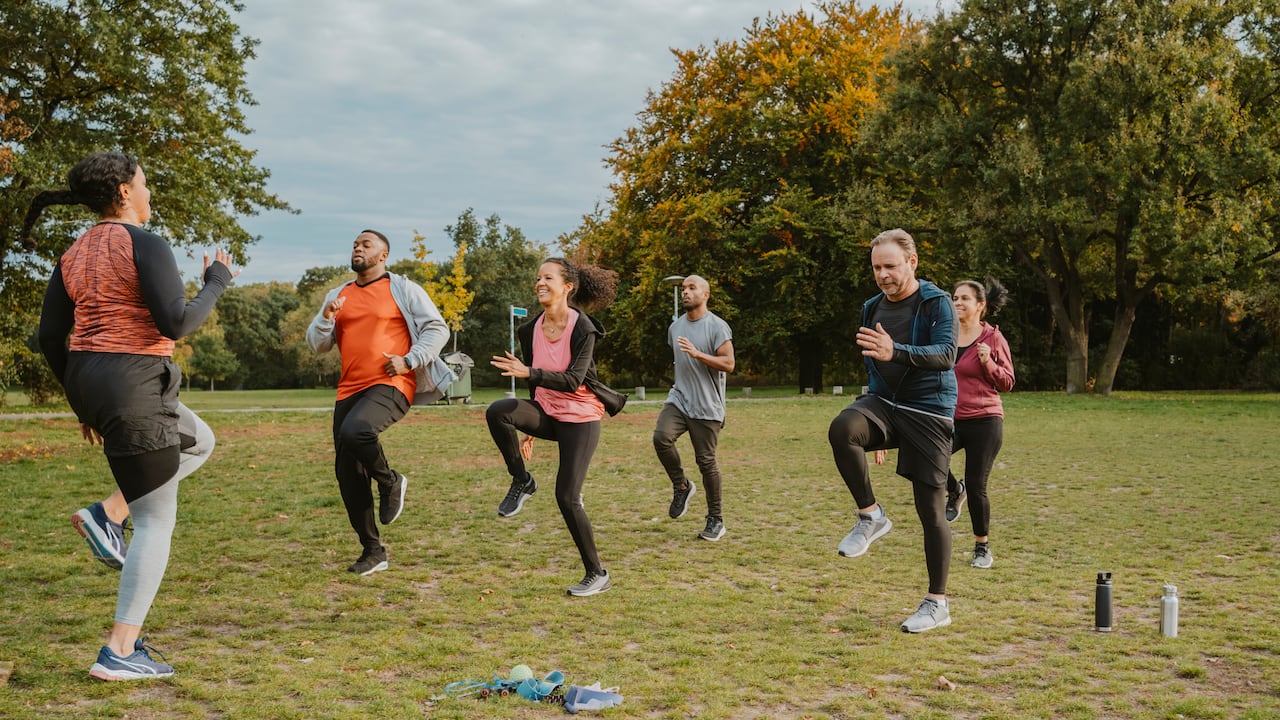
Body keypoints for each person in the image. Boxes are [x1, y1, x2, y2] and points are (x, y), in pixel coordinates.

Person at [30, 151, 237, 680]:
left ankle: (108, 512)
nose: (149, 194)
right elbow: (176, 322)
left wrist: (83, 400)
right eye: (144, 184)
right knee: (157, 522)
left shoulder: (73, 252)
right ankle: (120, 650)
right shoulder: (145, 243)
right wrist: (216, 280)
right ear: (123, 191)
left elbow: (50, 338)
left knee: (200, 439)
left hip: (93, 380)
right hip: (134, 383)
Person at [827, 228, 958, 633]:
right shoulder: (872, 307)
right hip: (885, 403)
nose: (882, 274)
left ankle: (937, 603)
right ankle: (871, 516)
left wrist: (896, 351)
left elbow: (946, 355)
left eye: (890, 266)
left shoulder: (937, 303)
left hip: (929, 410)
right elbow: (875, 364)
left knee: (930, 511)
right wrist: (874, 425)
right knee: (843, 428)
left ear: (912, 262)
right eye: (876, 267)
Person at [306, 229, 452, 577]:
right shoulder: (338, 294)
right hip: (349, 390)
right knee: (347, 473)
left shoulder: (402, 288)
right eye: (355, 244)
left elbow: (437, 328)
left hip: (391, 382)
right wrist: (326, 317)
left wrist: (410, 360)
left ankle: (389, 481)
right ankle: (373, 551)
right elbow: (317, 345)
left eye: (366, 244)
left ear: (383, 255)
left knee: (357, 431)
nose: (358, 248)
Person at [487, 257, 625, 597]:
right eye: (538, 278)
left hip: (581, 417)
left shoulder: (583, 328)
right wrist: (529, 427)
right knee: (498, 411)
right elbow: (536, 387)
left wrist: (528, 373)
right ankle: (522, 480)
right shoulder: (529, 329)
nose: (540, 283)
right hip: (548, 411)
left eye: (548, 278)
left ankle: (597, 573)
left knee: (567, 496)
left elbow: (574, 379)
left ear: (567, 287)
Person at [71, 404, 216, 570]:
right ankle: (111, 512)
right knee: (201, 443)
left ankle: (114, 513)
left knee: (182, 446)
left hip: (100, 401)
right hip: (135, 396)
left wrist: (84, 411)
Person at [653, 275, 735, 541]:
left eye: (692, 288)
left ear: (706, 294)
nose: (685, 292)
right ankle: (681, 486)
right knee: (661, 438)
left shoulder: (717, 327)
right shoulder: (675, 328)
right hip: (679, 398)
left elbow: (729, 364)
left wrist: (699, 354)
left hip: (707, 405)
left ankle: (716, 520)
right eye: (684, 288)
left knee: (706, 462)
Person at [944, 279, 1015, 569]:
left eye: (964, 298)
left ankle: (982, 547)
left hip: (985, 420)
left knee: (977, 484)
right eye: (955, 297)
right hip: (950, 418)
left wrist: (988, 363)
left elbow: (1008, 382)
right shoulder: (946, 335)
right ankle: (953, 490)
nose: (958, 302)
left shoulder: (993, 339)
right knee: (923, 458)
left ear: (980, 305)